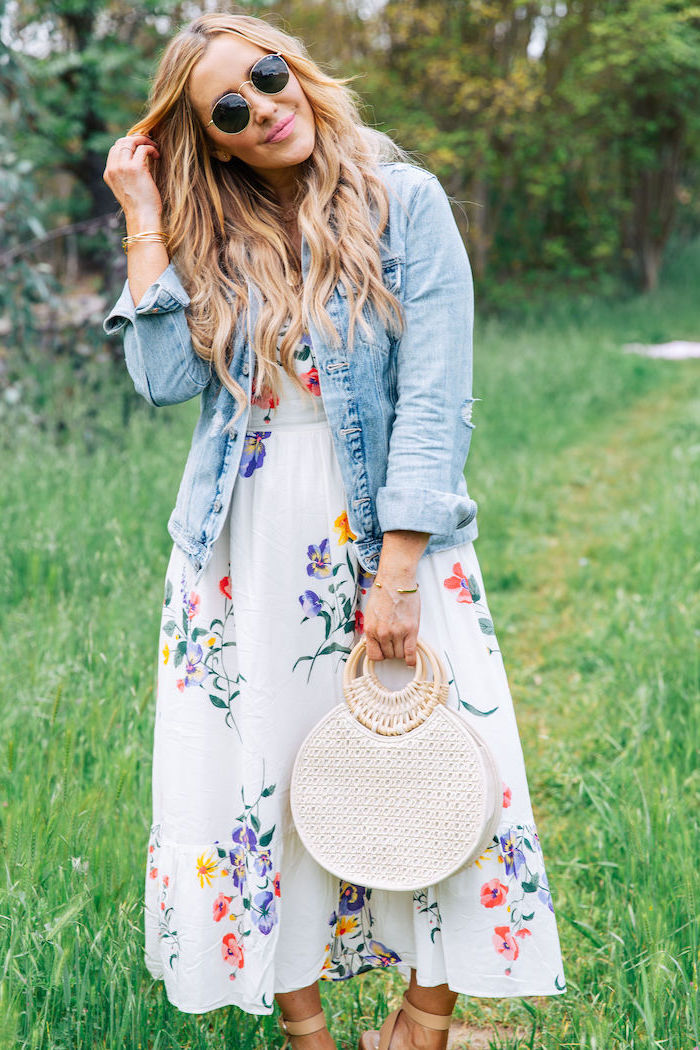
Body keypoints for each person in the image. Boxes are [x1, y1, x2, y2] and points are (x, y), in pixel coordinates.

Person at [102, 11, 567, 1050]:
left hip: (385, 536)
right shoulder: (208, 232)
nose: (263, 109)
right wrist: (145, 212)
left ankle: (421, 1024)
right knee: (265, 779)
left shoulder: (405, 201)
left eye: (267, 77)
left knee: (447, 771)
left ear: (296, 70)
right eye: (230, 109)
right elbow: (164, 379)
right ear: (209, 141)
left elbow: (437, 398)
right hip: (244, 550)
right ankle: (308, 1033)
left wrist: (398, 570)